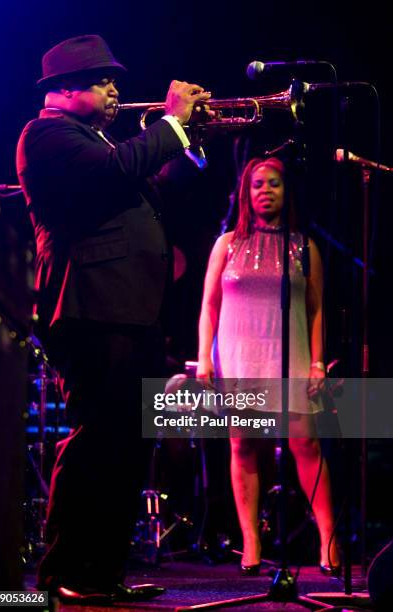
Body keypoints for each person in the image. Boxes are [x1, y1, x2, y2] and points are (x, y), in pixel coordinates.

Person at [16, 34, 211, 605]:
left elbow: (150, 185)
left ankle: (101, 572)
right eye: (104, 81)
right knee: (97, 440)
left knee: (128, 445)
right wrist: (170, 124)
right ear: (64, 89)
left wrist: (188, 140)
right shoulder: (47, 135)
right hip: (90, 309)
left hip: (130, 311)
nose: (115, 91)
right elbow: (116, 170)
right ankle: (60, 575)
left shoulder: (98, 140)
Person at [197, 156, 340, 576]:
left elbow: (316, 311)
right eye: (258, 184)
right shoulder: (226, 244)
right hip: (239, 353)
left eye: (274, 183)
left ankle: (328, 540)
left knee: (305, 444)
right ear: (246, 192)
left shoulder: (304, 246)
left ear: (286, 190)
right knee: (243, 445)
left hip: (290, 352)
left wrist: (317, 362)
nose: (265, 191)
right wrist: (205, 355)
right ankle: (251, 542)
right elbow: (209, 305)